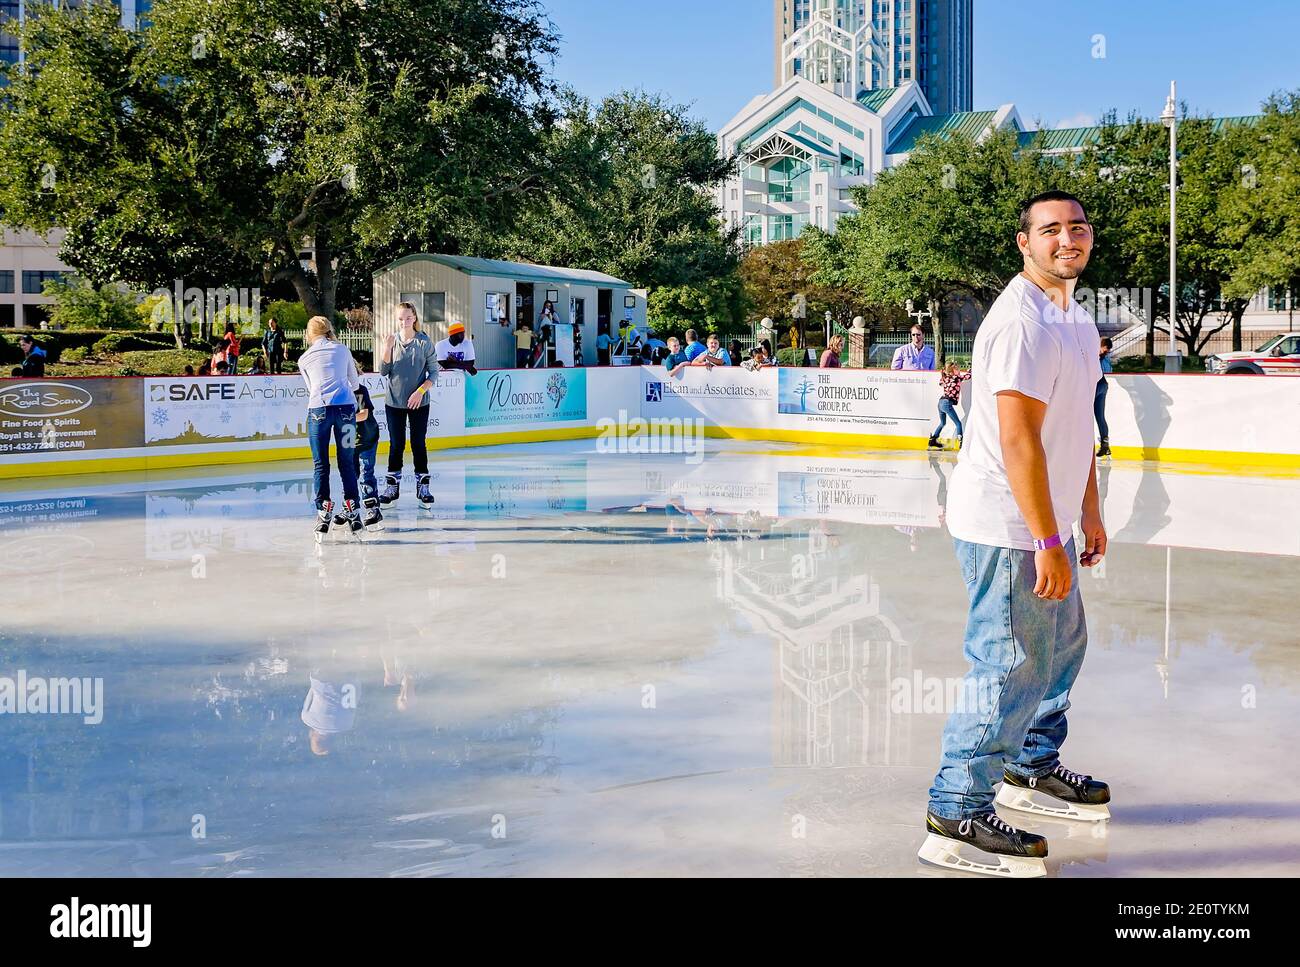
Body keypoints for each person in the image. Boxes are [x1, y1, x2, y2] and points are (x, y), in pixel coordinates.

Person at [921, 190, 1109, 877]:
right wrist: (1045, 540)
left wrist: (1085, 513)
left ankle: (1030, 763)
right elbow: (1019, 438)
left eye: (1078, 227)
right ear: (1024, 243)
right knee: (1005, 663)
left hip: (1047, 520)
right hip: (1007, 523)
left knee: (1061, 649)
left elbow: (1075, 427)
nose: (1068, 238)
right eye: (1050, 229)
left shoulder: (1076, 318)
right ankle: (957, 807)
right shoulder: (1021, 322)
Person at [298, 315, 363, 540]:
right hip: (346, 411)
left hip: (319, 413)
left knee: (320, 463)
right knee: (347, 460)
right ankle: (353, 507)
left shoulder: (304, 359)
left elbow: (311, 389)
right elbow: (355, 384)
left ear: (309, 334)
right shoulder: (342, 350)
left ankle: (323, 509)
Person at [379, 301, 439, 508]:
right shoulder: (392, 341)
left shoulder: (424, 342)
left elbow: (434, 373)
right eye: (400, 318)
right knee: (396, 444)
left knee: (418, 444)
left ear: (414, 318)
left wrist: (420, 392)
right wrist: (386, 348)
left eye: (408, 317)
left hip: (419, 403)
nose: (404, 322)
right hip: (394, 403)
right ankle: (392, 487)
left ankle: (423, 486)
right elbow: (383, 371)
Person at [351, 381, 383, 528]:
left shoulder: (358, 390)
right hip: (348, 439)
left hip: (367, 438)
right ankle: (350, 508)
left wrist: (343, 418)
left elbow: (363, 414)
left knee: (366, 473)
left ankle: (372, 508)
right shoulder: (337, 392)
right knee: (350, 474)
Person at [928, 361, 972, 450]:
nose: (959, 370)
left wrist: (944, 373)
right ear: (952, 371)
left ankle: (933, 440)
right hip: (947, 402)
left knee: (943, 423)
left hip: (940, 403)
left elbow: (940, 383)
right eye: (957, 369)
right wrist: (971, 370)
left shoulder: (945, 378)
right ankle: (961, 442)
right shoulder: (956, 378)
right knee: (958, 423)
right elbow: (968, 376)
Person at [1095, 337, 1113, 457]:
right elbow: (1108, 370)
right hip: (1102, 384)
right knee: (1100, 416)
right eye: (1105, 350)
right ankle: (1105, 445)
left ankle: (1103, 445)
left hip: (1097, 385)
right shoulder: (1102, 357)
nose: (1105, 352)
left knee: (1091, 416)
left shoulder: (1095, 354)